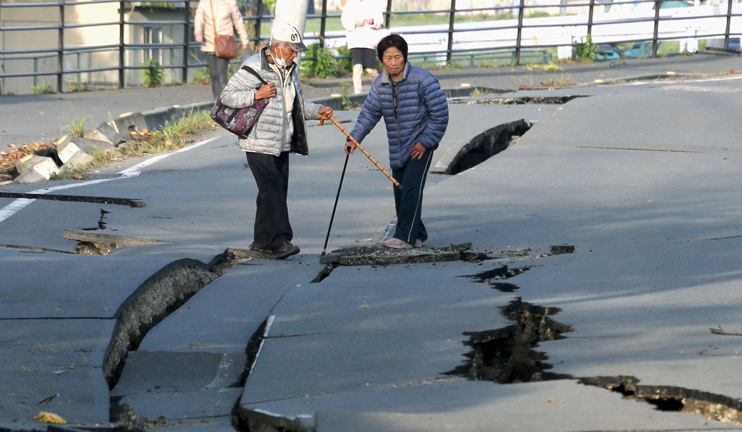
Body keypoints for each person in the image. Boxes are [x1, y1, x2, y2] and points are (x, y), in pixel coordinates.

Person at [220, 23, 334, 259]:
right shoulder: (253, 66)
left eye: (296, 51)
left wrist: (318, 111)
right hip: (258, 141)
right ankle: (281, 240)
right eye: (292, 50)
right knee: (273, 189)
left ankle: (262, 242)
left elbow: (298, 105)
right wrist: (256, 94)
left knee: (270, 191)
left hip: (282, 142)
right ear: (278, 47)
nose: (295, 55)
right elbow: (227, 96)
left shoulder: (289, 71)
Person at [345, 34, 449, 249]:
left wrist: (426, 141)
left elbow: (440, 114)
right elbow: (369, 114)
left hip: (421, 144)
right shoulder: (379, 84)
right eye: (388, 58)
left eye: (397, 57)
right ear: (381, 60)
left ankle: (405, 237)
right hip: (397, 146)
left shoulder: (423, 79)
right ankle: (417, 232)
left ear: (405, 56)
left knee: (411, 186)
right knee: (401, 189)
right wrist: (354, 138)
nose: (393, 63)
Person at [194, 0, 249, 99]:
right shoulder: (205, 2)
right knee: (214, 74)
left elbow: (238, 21)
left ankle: (223, 100)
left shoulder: (230, 2)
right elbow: (199, 19)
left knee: (221, 73)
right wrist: (198, 32)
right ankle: (217, 99)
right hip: (209, 43)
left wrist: (244, 38)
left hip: (224, 44)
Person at [341, 0, 385, 94]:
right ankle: (357, 90)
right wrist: (355, 23)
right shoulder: (350, 4)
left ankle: (379, 86)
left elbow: (379, 20)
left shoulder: (373, 3)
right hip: (355, 39)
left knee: (370, 69)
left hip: (369, 40)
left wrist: (372, 21)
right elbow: (345, 20)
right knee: (357, 66)